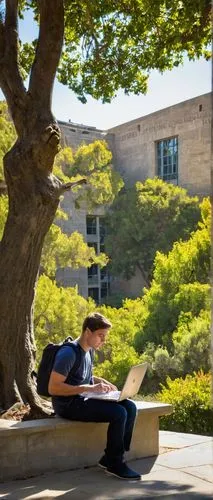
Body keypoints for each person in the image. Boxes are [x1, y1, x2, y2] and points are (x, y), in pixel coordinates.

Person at [48, 312, 141, 480]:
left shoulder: (89, 351)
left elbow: (84, 377)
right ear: (87, 332)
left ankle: (111, 457)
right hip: (67, 404)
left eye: (105, 337)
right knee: (119, 413)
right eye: (101, 336)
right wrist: (87, 388)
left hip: (83, 398)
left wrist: (101, 383)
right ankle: (115, 463)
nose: (103, 341)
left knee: (130, 407)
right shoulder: (68, 354)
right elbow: (53, 388)